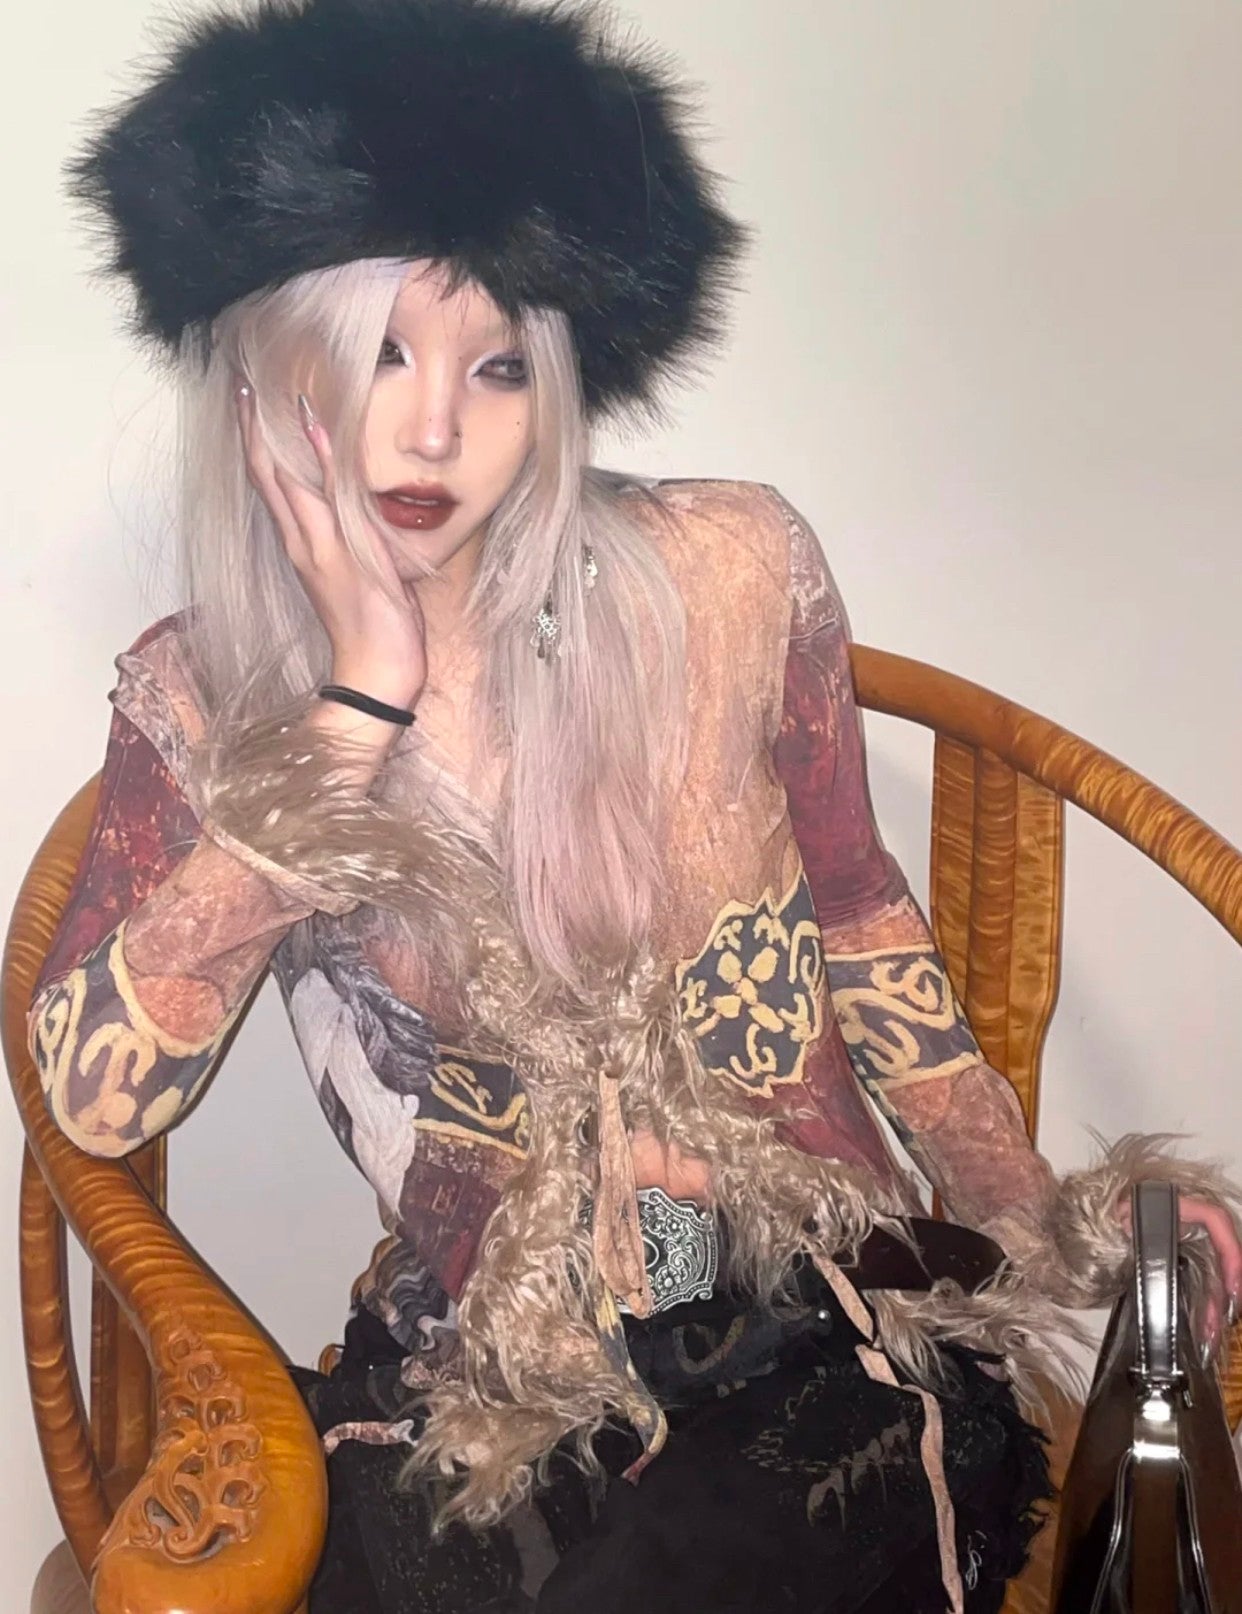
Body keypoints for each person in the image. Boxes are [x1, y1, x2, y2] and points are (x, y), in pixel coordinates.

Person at [27, 0, 1242, 1609]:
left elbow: (863, 922)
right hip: (500, 1370)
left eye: (499, 365)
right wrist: (352, 707)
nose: (436, 428)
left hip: (814, 1325)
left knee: (687, 1542)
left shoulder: (727, 573)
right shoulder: (203, 694)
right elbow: (93, 1102)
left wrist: (1035, 1226)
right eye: (380, 350)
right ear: (265, 374)